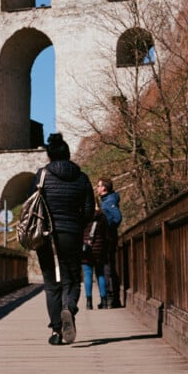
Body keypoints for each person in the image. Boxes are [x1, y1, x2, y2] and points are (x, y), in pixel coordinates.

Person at [29, 133, 95, 345]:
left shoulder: (42, 176)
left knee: (51, 284)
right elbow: (88, 212)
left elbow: (31, 206)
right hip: (71, 235)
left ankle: (57, 330)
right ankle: (70, 308)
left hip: (46, 236)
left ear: (49, 156)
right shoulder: (82, 178)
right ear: (68, 154)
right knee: (73, 279)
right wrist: (77, 225)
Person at [96, 177, 122, 308]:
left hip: (108, 238)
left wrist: (106, 228)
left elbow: (117, 217)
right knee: (107, 267)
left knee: (108, 268)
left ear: (104, 188)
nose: (97, 188)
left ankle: (111, 298)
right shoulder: (106, 201)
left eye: (99, 186)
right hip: (107, 238)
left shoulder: (109, 201)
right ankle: (110, 297)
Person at [81, 209, 110, 309]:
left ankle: (89, 303)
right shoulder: (102, 216)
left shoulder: (83, 215)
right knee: (100, 274)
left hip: (86, 250)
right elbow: (107, 234)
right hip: (100, 249)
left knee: (87, 275)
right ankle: (104, 301)